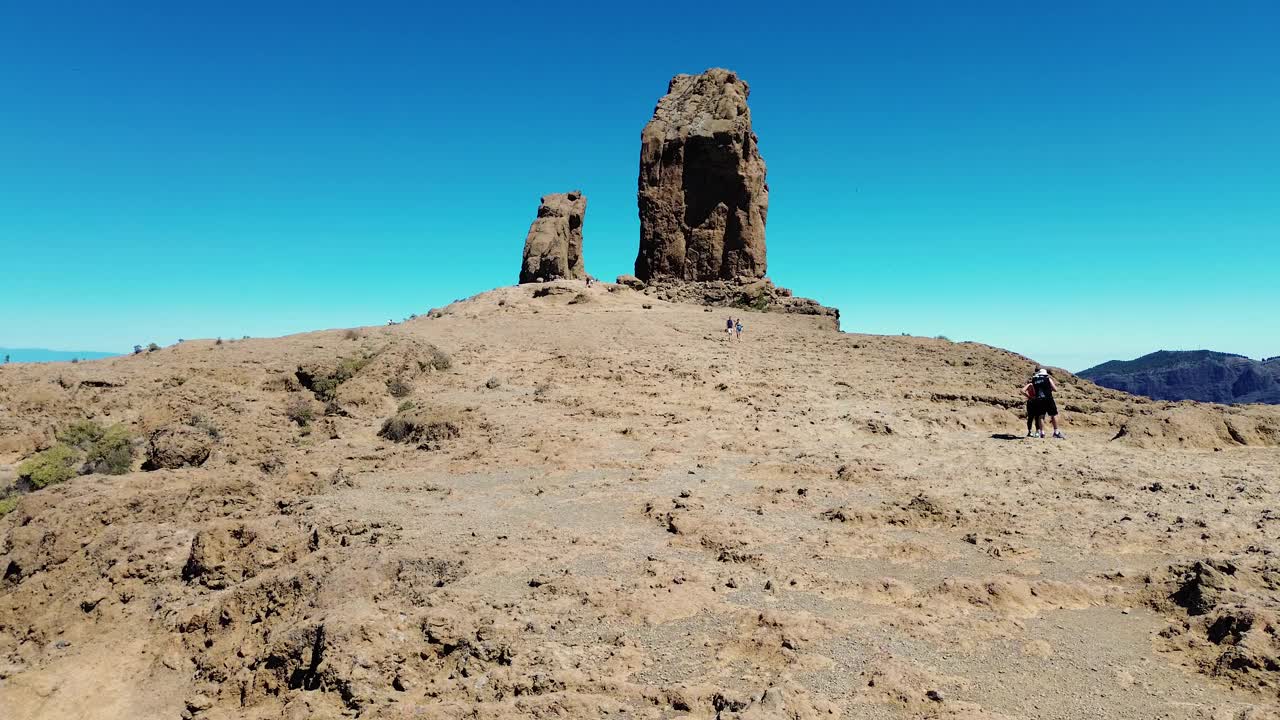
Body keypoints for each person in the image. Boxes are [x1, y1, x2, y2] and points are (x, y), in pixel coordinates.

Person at [1023, 368, 1064, 439]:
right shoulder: (1048, 379)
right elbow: (1055, 389)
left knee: (1040, 416)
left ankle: (1042, 433)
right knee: (1053, 415)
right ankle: (1056, 432)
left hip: (1039, 399)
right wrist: (1049, 389)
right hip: (1048, 399)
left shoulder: (1034, 381)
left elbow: (1034, 391)